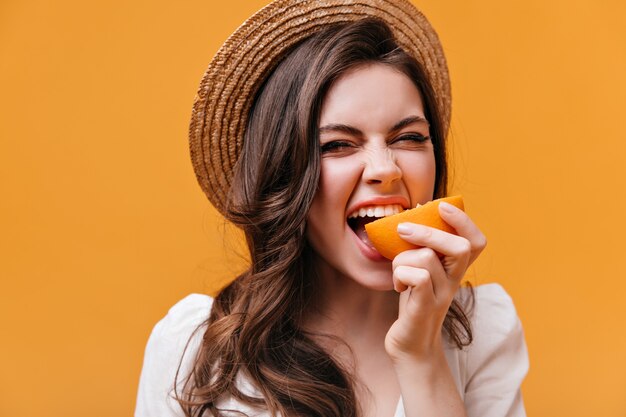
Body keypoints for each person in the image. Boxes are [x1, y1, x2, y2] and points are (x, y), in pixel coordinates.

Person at [135, 1, 529, 416]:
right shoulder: (192, 347)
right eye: (337, 145)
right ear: (283, 174)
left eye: (409, 137)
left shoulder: (484, 329)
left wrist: (422, 355)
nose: (385, 169)